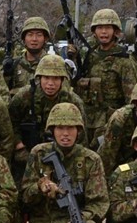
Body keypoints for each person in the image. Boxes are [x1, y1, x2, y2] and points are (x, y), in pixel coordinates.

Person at [14, 104, 108, 223]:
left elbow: (100, 202)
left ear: (78, 131)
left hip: (73, 221)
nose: (65, 133)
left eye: (70, 128)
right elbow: (24, 195)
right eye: (60, 128)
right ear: (52, 130)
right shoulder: (39, 153)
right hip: (44, 221)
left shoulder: (91, 160)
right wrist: (40, 188)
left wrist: (81, 217)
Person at [8, 53, 89, 182]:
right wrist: (19, 145)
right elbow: (10, 123)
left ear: (62, 80)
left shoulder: (73, 101)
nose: (50, 84)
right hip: (26, 151)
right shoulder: (24, 96)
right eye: (46, 78)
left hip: (63, 154)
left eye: (56, 79)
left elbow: (81, 137)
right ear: (39, 78)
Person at [74, 8, 137, 145]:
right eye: (100, 28)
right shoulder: (89, 56)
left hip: (110, 123)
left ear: (115, 31)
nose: (104, 32)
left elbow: (132, 101)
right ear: (94, 31)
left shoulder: (124, 60)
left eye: (108, 28)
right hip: (87, 120)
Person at [5, 17, 53, 94]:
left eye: (39, 35)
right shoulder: (14, 64)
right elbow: (1, 92)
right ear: (24, 38)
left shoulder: (53, 64)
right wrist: (6, 74)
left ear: (45, 39)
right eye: (30, 35)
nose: (34, 39)